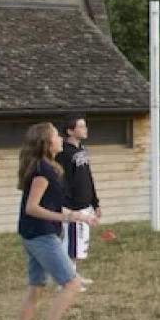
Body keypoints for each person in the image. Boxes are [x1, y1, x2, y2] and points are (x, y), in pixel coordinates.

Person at [7, 122, 97, 320]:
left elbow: (53, 205)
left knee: (36, 288)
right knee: (72, 283)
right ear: (47, 143)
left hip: (35, 234)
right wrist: (62, 218)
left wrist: (79, 216)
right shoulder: (42, 172)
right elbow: (32, 208)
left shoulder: (49, 168)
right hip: (41, 235)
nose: (59, 138)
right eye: (56, 134)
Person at [58, 116, 100, 286]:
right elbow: (62, 180)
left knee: (79, 244)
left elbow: (88, 177)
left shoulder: (82, 150)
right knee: (71, 245)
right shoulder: (64, 153)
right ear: (70, 131)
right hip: (72, 206)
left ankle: (73, 277)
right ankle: (66, 281)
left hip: (85, 205)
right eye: (81, 126)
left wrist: (95, 202)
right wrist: (68, 203)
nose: (85, 129)